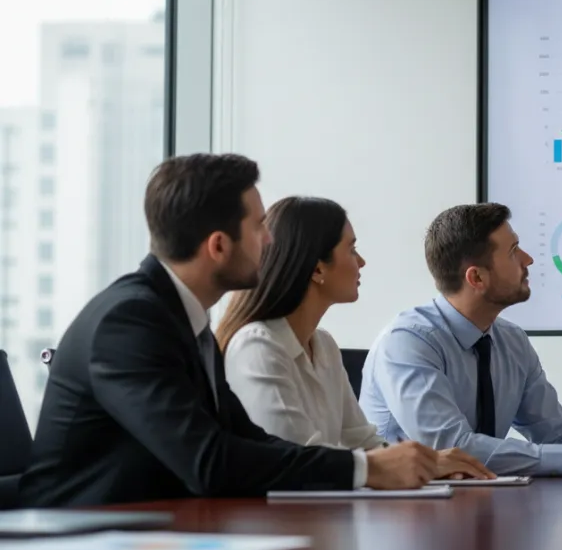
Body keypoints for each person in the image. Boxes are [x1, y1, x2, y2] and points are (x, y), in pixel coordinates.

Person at [19, 154, 441, 507]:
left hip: (149, 533)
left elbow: (247, 439)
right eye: (258, 226)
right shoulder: (129, 323)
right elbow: (208, 461)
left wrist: (381, 465)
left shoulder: (183, 318)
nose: (270, 241)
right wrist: (364, 469)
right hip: (79, 545)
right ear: (218, 246)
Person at [358, 203, 562, 477]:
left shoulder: (511, 339)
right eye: (513, 251)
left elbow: (555, 432)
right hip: (402, 517)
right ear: (476, 278)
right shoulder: (408, 341)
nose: (528, 259)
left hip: (480, 509)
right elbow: (452, 448)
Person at [216, 196, 493, 480]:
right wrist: (403, 465)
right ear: (317, 269)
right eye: (352, 249)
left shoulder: (322, 345)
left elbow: (361, 441)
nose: (361, 261)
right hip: (278, 520)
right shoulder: (257, 346)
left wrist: (426, 464)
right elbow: (298, 458)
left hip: (322, 516)